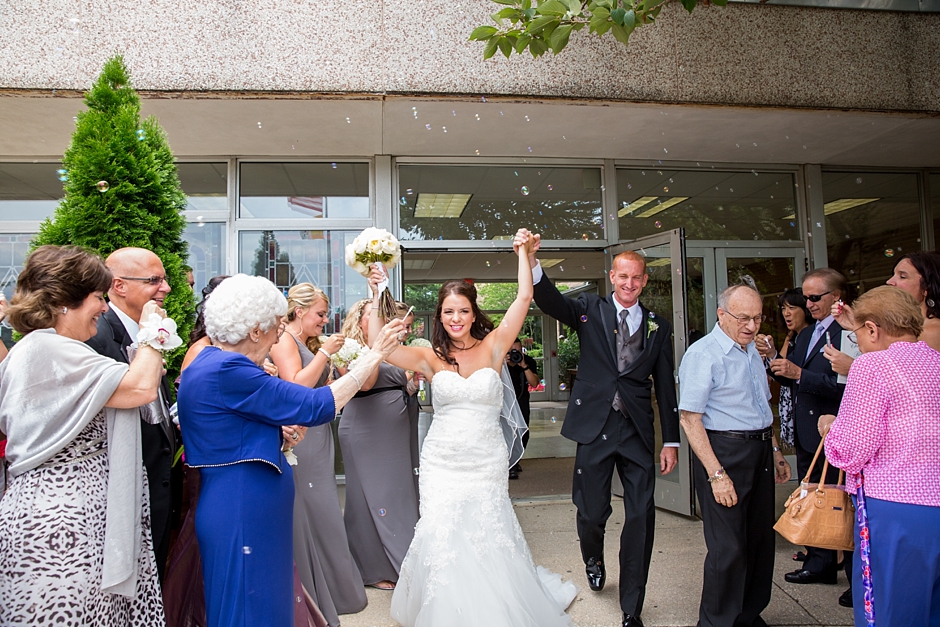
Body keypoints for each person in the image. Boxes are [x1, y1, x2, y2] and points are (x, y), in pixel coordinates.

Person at [177, 274, 404, 627]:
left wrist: (275, 435)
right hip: (242, 504)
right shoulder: (227, 369)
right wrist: (374, 355)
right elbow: (315, 405)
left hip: (243, 499)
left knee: (260, 602)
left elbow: (227, 428)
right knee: (248, 607)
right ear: (254, 330)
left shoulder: (213, 362)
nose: (280, 333)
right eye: (276, 325)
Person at [380, 229, 577, 626]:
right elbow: (381, 348)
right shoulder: (428, 356)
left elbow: (524, 298)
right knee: (442, 528)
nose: (456, 319)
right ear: (440, 316)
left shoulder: (494, 347)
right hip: (442, 459)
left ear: (474, 313)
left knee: (487, 528)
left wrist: (523, 253)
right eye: (448, 312)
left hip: (485, 456)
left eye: (463, 311)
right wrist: (377, 290)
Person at [0, 245, 168, 625]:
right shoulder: (49, 348)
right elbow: (140, 387)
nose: (104, 307)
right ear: (63, 302)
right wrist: (152, 330)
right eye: (96, 297)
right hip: (60, 524)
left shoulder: (50, 349)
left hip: (77, 516)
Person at [530, 244, 679, 627]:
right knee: (593, 511)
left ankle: (632, 607)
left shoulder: (658, 326)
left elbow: (665, 386)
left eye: (636, 277)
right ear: (613, 277)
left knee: (641, 517)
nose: (629, 283)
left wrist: (672, 441)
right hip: (594, 426)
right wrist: (531, 260)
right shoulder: (587, 310)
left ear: (644, 281)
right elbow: (548, 300)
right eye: (622, 275)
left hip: (637, 431)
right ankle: (593, 557)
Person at [818, 285, 940, 627]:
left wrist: (831, 427)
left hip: (893, 507)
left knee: (886, 613)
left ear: (872, 328)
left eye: (856, 334)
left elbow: (851, 450)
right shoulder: (936, 361)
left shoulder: (873, 366)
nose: (857, 342)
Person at [678, 282, 792, 627]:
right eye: (743, 318)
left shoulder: (751, 351)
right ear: (721, 315)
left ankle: (747, 615)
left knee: (758, 540)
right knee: (728, 549)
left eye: (757, 318)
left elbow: (761, 407)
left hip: (758, 451)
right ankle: (716, 622)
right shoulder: (703, 354)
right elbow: (690, 418)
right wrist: (716, 474)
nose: (752, 326)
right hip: (724, 453)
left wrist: (775, 451)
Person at [269, 283, 368, 626]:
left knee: (324, 509)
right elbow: (294, 386)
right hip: (301, 436)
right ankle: (315, 592)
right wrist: (325, 353)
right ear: (299, 311)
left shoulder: (308, 343)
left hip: (319, 432)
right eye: (321, 314)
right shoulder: (283, 339)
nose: (325, 321)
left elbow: (319, 390)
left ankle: (335, 589)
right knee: (315, 509)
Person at [86, 247, 181, 583]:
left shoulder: (150, 329)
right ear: (119, 285)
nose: (166, 287)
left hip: (157, 482)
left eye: (164, 279)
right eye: (154, 280)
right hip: (123, 490)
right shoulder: (99, 337)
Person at [769, 268, 848, 589]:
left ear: (836, 297)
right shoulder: (806, 334)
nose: (809, 304)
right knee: (812, 496)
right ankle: (819, 563)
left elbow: (849, 385)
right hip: (806, 431)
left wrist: (800, 374)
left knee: (837, 500)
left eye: (815, 298)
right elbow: (792, 375)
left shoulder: (849, 335)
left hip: (834, 430)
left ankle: (850, 572)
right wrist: (776, 363)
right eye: (806, 297)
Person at [338, 297, 420, 591]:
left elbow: (403, 384)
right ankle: (373, 568)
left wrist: (412, 383)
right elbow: (368, 383)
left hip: (396, 429)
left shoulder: (394, 348)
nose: (381, 322)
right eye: (374, 316)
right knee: (369, 498)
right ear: (360, 318)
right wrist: (379, 349)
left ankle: (406, 560)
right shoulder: (350, 350)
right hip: (366, 429)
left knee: (399, 494)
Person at [756, 288, 812, 448]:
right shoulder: (793, 336)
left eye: (792, 308)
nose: (786, 313)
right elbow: (781, 370)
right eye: (783, 308)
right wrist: (770, 353)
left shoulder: (812, 337)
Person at [506, 337, 539, 479]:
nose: (516, 353)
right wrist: (501, 362)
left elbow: (534, 383)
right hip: (504, 402)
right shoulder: (499, 361)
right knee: (506, 432)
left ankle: (516, 459)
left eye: (519, 351)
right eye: (512, 351)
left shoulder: (528, 361)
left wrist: (524, 366)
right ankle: (509, 464)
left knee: (523, 432)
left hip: (521, 400)